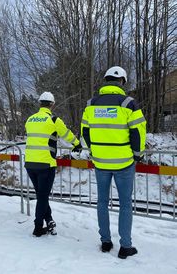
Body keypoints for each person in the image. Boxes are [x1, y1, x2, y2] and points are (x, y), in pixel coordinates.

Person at [81, 66, 146, 259]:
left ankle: (105, 242)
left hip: (101, 162)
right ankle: (125, 246)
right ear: (122, 82)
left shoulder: (90, 104)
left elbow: (85, 132)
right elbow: (138, 132)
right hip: (124, 162)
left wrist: (93, 150)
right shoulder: (129, 103)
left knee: (102, 202)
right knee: (125, 204)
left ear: (105, 81)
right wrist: (137, 154)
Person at [25, 92, 82, 237]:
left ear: (40, 103)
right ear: (52, 104)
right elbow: (66, 133)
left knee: (41, 195)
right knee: (42, 197)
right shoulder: (53, 119)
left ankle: (49, 219)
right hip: (46, 164)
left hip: (30, 163)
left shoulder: (30, 119)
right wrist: (76, 144)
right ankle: (38, 227)